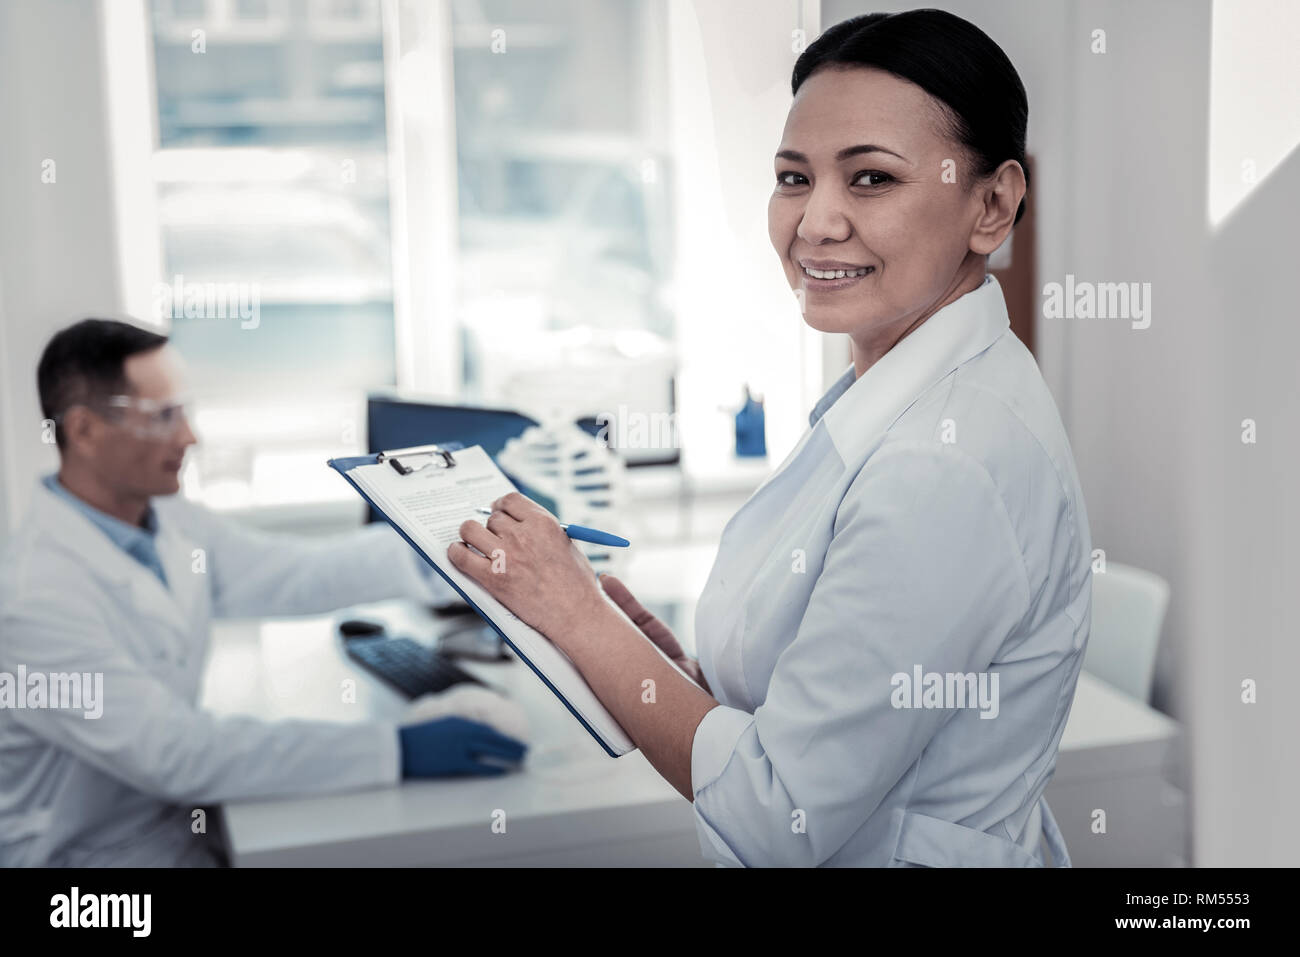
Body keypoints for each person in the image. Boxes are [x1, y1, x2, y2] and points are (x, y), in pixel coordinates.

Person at [447, 9, 1092, 867]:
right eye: (794, 178)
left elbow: (779, 814)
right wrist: (666, 671)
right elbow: (823, 716)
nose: (815, 222)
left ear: (993, 205)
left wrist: (575, 615)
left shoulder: (944, 462)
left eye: (870, 180)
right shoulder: (897, 398)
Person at [0, 319, 527, 867]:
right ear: (84, 431)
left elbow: (296, 572)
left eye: (184, 410)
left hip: (169, 834)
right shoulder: (35, 595)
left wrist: (453, 543)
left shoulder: (167, 522)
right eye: (163, 417)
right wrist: (393, 749)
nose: (190, 438)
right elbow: (176, 752)